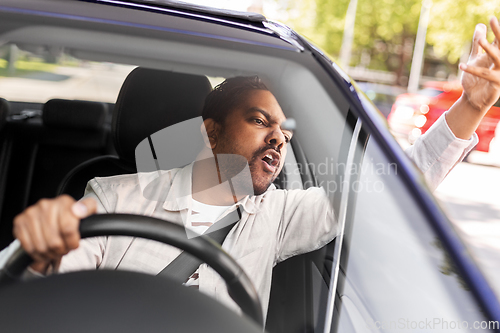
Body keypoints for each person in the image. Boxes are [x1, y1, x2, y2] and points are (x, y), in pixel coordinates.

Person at [2, 18, 500, 319]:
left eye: (284, 131)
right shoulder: (112, 197)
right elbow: (38, 284)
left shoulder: (281, 215)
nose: (278, 138)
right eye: (260, 120)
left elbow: (391, 188)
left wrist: (471, 107)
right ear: (210, 130)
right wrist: (43, 253)